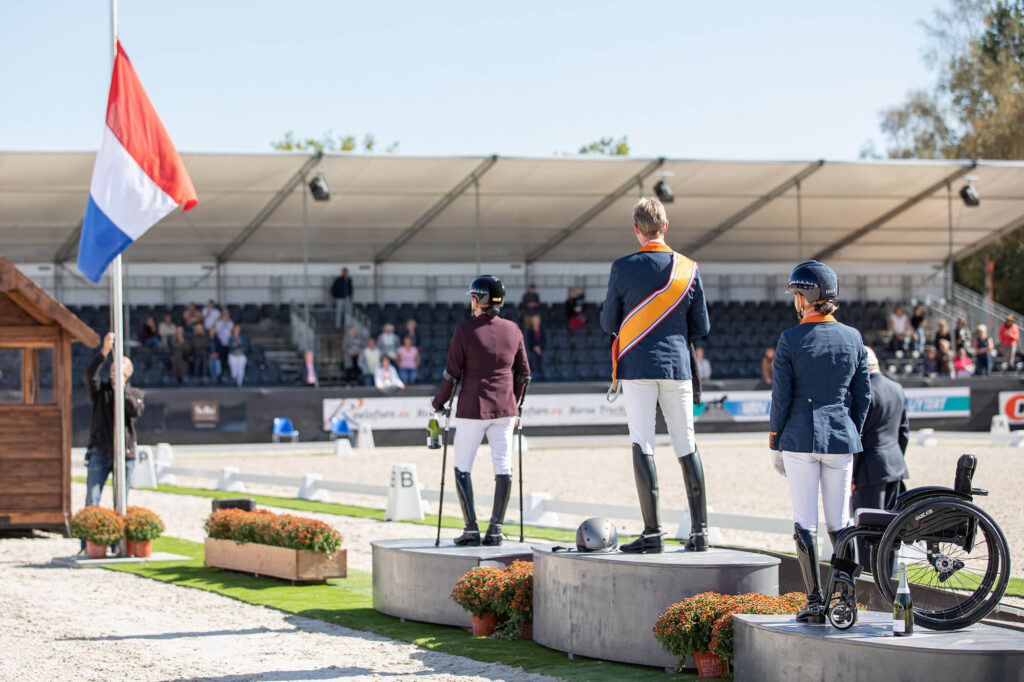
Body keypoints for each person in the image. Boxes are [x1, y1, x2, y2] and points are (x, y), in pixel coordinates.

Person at [600, 197, 710, 553]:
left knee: (643, 443)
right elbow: (702, 327)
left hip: (637, 366)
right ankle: (700, 533)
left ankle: (652, 534)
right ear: (666, 226)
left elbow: (607, 321)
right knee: (686, 444)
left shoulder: (622, 267)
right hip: (677, 366)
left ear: (637, 229)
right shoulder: (688, 268)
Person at [769, 260, 870, 622]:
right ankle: (845, 597)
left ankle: (814, 601)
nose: (795, 302)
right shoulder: (854, 337)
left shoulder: (790, 339)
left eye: (796, 295)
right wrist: (852, 430)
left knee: (805, 522)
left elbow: (781, 398)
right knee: (840, 522)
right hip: (841, 439)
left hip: (798, 439)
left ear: (805, 298)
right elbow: (864, 396)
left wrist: (776, 441)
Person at [432, 275, 530, 546]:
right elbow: (524, 374)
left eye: (473, 298)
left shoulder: (464, 331)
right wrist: (514, 403)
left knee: (462, 466)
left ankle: (471, 528)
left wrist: (438, 403)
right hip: (505, 409)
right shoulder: (514, 329)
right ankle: (496, 528)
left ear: (479, 300)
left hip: (472, 409)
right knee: (503, 467)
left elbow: (452, 375)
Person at [82, 332, 145, 552]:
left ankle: (118, 544)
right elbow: (89, 375)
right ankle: (88, 544)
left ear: (128, 373)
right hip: (100, 451)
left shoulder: (134, 393)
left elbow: (134, 411)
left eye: (118, 370)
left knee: (121, 502)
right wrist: (103, 353)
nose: (113, 374)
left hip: (124, 454)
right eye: (111, 370)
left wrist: (122, 388)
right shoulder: (101, 392)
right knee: (92, 498)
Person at [851, 346, 909, 572]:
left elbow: (857, 438)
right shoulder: (896, 388)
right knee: (891, 530)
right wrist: (896, 459)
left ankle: (870, 580)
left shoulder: (864, 393)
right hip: (894, 466)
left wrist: (852, 474)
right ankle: (889, 577)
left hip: (869, 469)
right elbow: (903, 432)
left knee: (868, 533)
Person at [524, 315, 545, 381]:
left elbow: (544, 341)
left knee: (542, 360)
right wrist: (535, 347)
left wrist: (540, 347)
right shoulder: (529, 331)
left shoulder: (542, 330)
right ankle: (534, 377)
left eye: (537, 320)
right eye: (534, 320)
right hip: (532, 350)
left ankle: (542, 377)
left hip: (541, 350)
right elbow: (529, 341)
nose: (536, 322)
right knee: (533, 360)